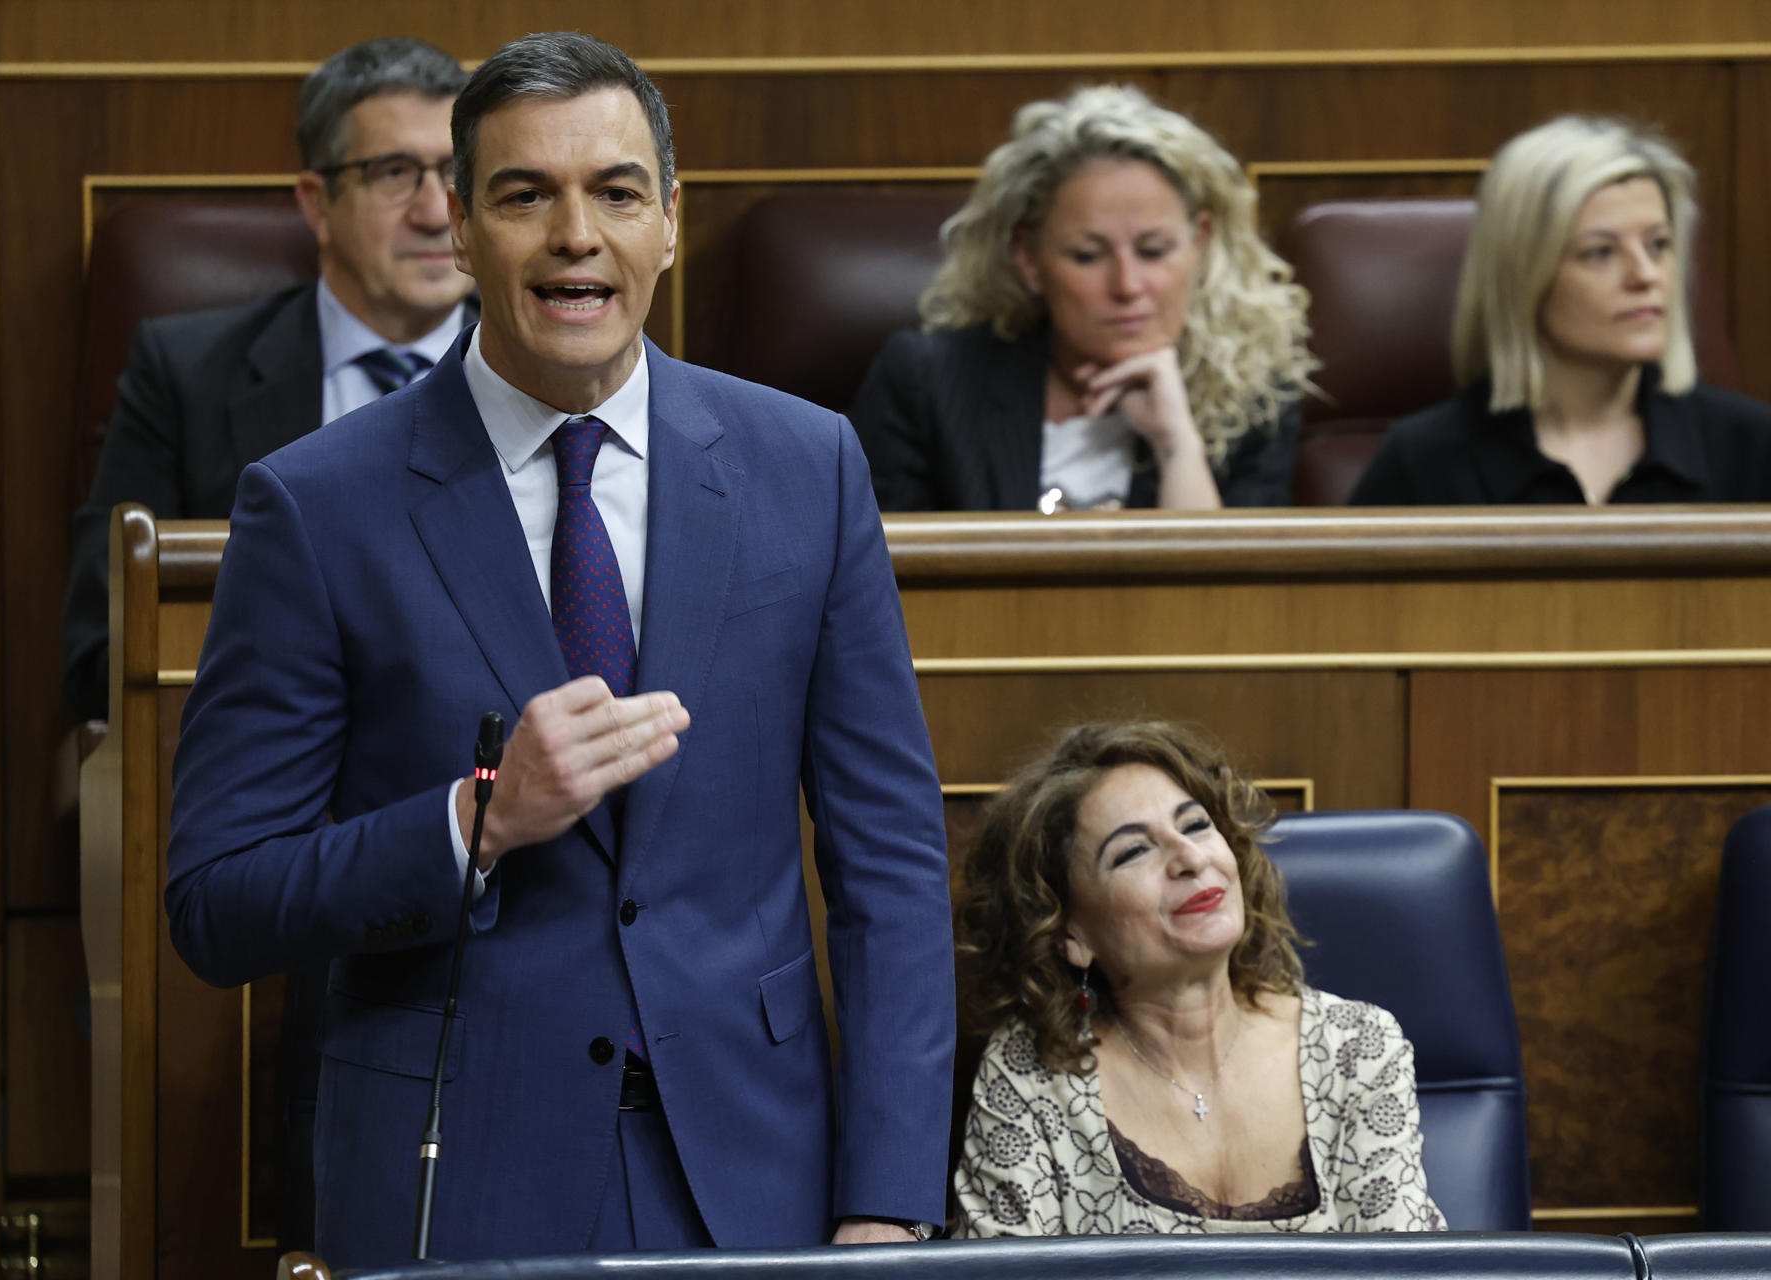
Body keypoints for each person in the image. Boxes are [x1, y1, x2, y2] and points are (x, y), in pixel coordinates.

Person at [163, 31, 955, 1268]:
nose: (575, 234)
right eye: (525, 195)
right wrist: (476, 817)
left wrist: (890, 1196)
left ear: (671, 225)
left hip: (753, 1174)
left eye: (617, 193)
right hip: (453, 1170)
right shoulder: (316, 504)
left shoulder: (809, 465)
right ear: (464, 229)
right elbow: (217, 902)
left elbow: (890, 863)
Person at [60, 36, 476, 725]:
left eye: (457, 172)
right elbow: (99, 648)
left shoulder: (547, 366)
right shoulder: (188, 375)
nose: (436, 212)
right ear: (317, 203)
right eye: (395, 173)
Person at [952, 720, 1445, 1235]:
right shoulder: (1030, 1078)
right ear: (1068, 933)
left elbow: (1405, 1271)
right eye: (1133, 852)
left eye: (1194, 825)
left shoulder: (1357, 1048)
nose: (1189, 858)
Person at [848, 85, 1315, 514]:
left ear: (1199, 242)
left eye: (1154, 251)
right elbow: (881, 582)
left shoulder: (1252, 401)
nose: (1128, 286)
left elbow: (1230, 600)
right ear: (1028, 258)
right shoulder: (927, 382)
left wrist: (1177, 447)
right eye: (1088, 255)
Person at [1350, 116, 1771, 505]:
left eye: (1658, 244)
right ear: (1524, 276)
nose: (1646, 275)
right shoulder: (1424, 461)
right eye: (1600, 253)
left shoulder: (1751, 445)